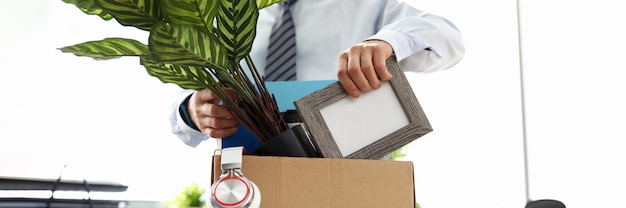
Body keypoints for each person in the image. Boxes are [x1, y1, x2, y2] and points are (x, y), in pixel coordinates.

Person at [169, 0, 465, 147]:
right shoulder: (227, 11)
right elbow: (182, 105)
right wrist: (191, 110)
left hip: (347, 168)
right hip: (247, 176)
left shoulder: (365, 4)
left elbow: (446, 38)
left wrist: (386, 42)